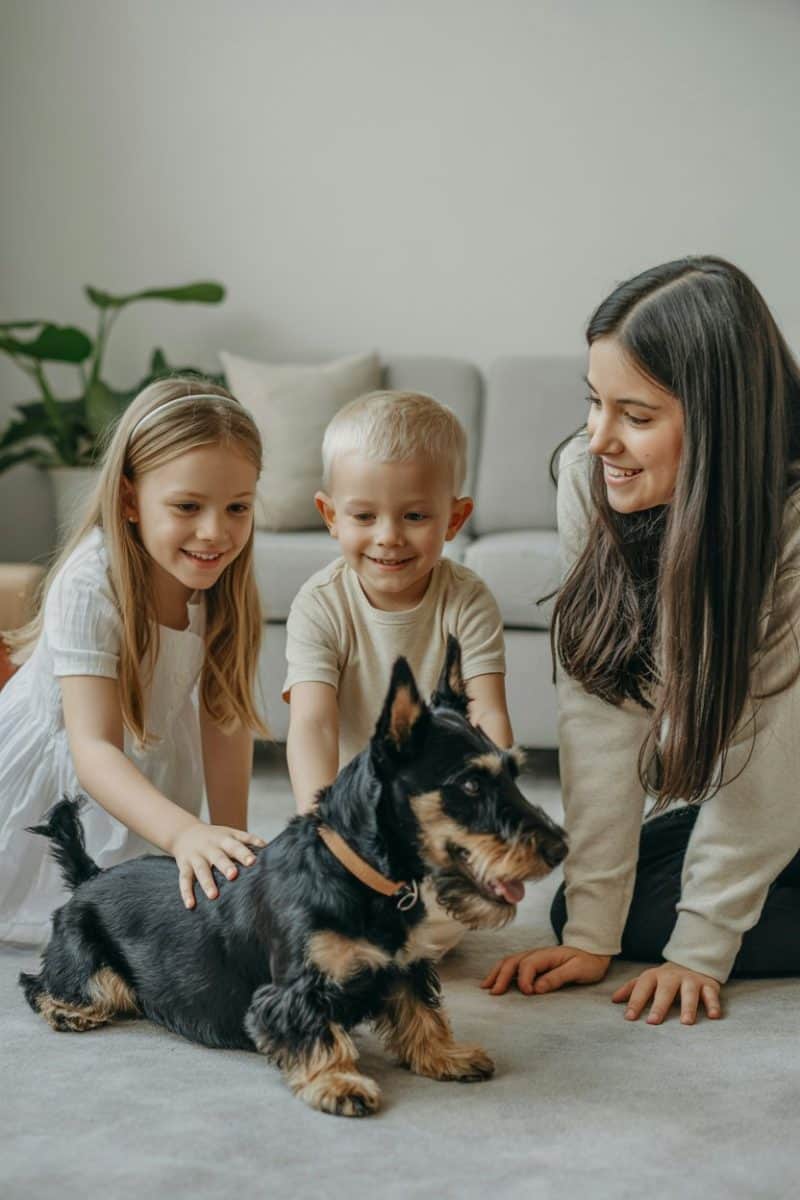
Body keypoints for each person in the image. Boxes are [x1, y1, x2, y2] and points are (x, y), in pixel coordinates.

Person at [483, 256, 800, 1025]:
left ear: (722, 420)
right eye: (594, 403)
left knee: (688, 922)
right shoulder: (585, 480)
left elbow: (774, 745)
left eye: (635, 415)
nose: (598, 440)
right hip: (775, 792)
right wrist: (593, 929)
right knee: (594, 918)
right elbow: (599, 714)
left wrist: (702, 949)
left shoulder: (790, 519)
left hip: (790, 767)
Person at [0, 377, 270, 945]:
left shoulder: (225, 584)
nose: (215, 532)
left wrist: (228, 841)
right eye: (187, 506)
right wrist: (182, 832)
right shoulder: (89, 582)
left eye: (237, 507)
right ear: (129, 498)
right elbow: (93, 750)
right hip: (61, 787)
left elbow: (225, 718)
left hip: (140, 782)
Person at [283, 390, 513, 954]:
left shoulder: (468, 601)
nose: (389, 536)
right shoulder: (319, 604)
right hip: (354, 819)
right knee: (308, 914)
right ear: (331, 517)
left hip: (435, 819)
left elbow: (488, 714)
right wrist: (323, 829)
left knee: (431, 931)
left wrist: (484, 812)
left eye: (415, 516)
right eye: (364, 516)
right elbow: (312, 724)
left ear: (455, 518)